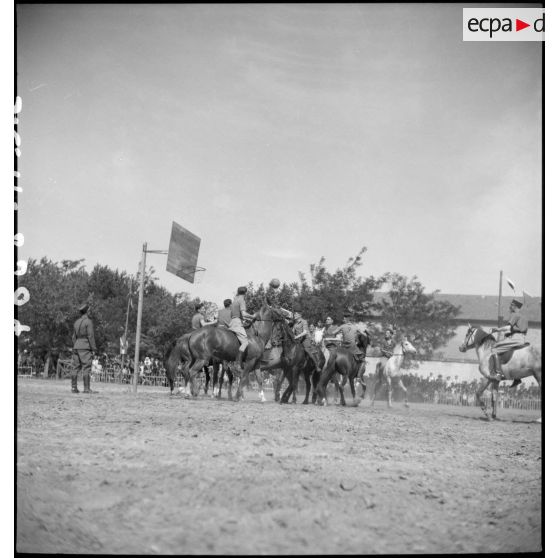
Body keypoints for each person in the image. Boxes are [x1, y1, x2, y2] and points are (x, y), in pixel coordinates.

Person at [488, 299, 529, 381]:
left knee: (494, 348)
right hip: (522, 338)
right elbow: (517, 329)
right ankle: (517, 379)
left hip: (516, 338)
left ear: (515, 306)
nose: (510, 307)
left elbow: (508, 327)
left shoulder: (515, 315)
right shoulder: (524, 317)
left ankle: (498, 373)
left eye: (511, 305)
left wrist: (497, 330)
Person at [326, 312, 366, 385]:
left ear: (347, 319)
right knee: (363, 361)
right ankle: (359, 377)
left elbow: (332, 333)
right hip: (353, 347)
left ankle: (331, 374)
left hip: (344, 347)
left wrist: (333, 331)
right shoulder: (355, 327)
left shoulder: (342, 326)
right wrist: (359, 332)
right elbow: (364, 334)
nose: (343, 319)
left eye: (344, 318)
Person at [71, 303, 98, 394]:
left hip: (76, 346)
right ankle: (86, 389)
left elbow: (73, 337)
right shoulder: (88, 322)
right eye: (89, 310)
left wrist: (76, 345)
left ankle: (74, 388)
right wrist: (94, 349)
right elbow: (90, 336)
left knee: (75, 368)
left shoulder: (76, 322)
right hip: (85, 347)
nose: (90, 312)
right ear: (87, 311)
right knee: (86, 367)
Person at [229, 286, 256, 371]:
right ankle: (238, 362)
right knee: (245, 342)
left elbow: (238, 315)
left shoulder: (234, 301)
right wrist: (253, 316)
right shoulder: (241, 300)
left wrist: (248, 319)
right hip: (237, 323)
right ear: (245, 293)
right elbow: (244, 314)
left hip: (232, 322)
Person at [292, 307, 322, 374]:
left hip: (305, 340)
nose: (294, 315)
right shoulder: (295, 324)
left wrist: (296, 337)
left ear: (300, 315)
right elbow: (292, 332)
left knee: (307, 350)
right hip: (298, 340)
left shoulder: (304, 321)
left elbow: (305, 332)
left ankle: (317, 366)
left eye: (296, 314)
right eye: (294, 314)